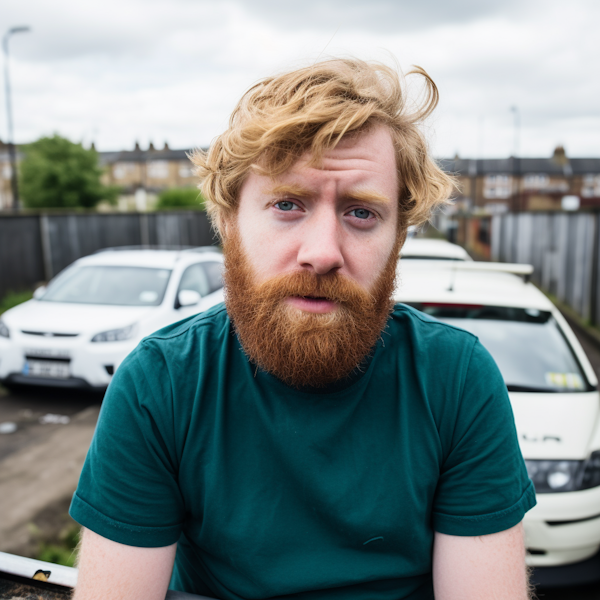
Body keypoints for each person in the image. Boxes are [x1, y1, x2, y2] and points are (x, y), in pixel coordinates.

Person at [70, 58, 536, 600]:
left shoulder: (455, 379)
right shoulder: (162, 383)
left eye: (361, 212)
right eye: (287, 204)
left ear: (400, 236)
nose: (322, 254)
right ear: (228, 222)